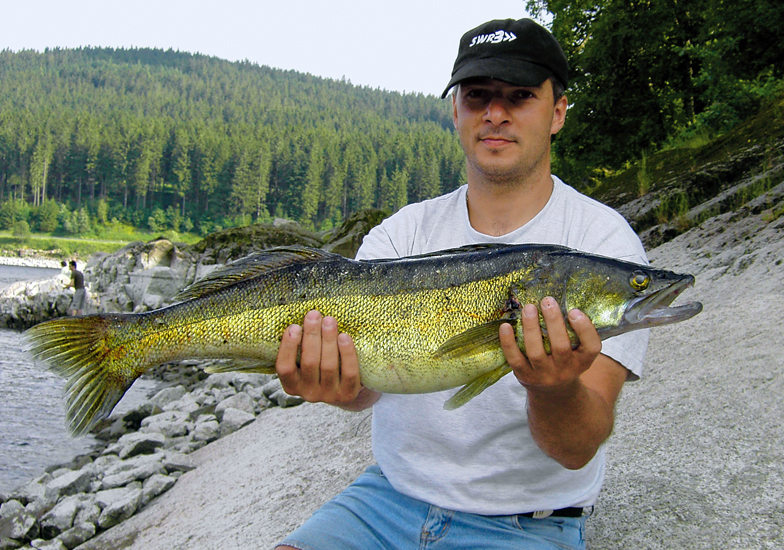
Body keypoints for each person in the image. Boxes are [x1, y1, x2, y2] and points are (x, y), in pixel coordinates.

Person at [274, 18, 649, 550]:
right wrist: (335, 387)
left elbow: (575, 448)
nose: (495, 113)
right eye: (477, 97)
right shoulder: (401, 234)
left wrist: (553, 385)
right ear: (456, 111)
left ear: (558, 111)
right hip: (389, 498)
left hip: (529, 521)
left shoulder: (601, 242)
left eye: (520, 96)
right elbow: (366, 392)